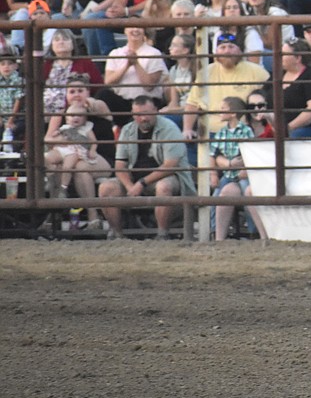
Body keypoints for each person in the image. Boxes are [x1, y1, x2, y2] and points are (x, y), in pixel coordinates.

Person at [99, 95, 195, 240]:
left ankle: (162, 234)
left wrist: (141, 183)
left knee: (164, 187)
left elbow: (170, 165)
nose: (143, 118)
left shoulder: (169, 128)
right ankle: (117, 235)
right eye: (138, 115)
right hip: (135, 179)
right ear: (133, 115)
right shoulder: (127, 130)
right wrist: (130, 186)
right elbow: (120, 164)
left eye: (147, 113)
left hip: (165, 178)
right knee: (106, 187)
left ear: (156, 111)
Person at [183, 33, 271, 139]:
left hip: (242, 132)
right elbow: (192, 104)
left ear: (240, 50)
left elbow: (268, 106)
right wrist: (187, 129)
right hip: (210, 132)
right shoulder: (206, 72)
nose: (227, 51)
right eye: (222, 47)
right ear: (216, 52)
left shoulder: (257, 72)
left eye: (231, 47)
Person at [207, 95, 266, 242]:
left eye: (223, 109)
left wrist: (243, 168)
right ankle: (216, 233)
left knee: (248, 197)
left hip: (241, 173)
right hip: (230, 173)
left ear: (233, 113)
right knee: (216, 199)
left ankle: (256, 233)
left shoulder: (245, 131)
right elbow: (212, 155)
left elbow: (251, 152)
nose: (220, 112)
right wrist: (214, 174)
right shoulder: (221, 133)